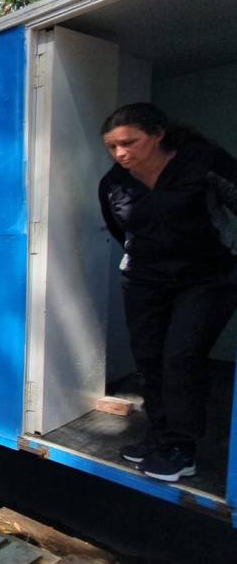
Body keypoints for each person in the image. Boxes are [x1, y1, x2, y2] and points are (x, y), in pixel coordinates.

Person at [98, 103, 237, 482]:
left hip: (205, 279)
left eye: (129, 142)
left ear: (158, 134)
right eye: (112, 147)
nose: (120, 153)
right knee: (150, 360)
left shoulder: (202, 162)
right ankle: (158, 437)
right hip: (145, 282)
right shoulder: (114, 183)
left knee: (181, 358)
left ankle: (182, 448)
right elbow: (120, 230)